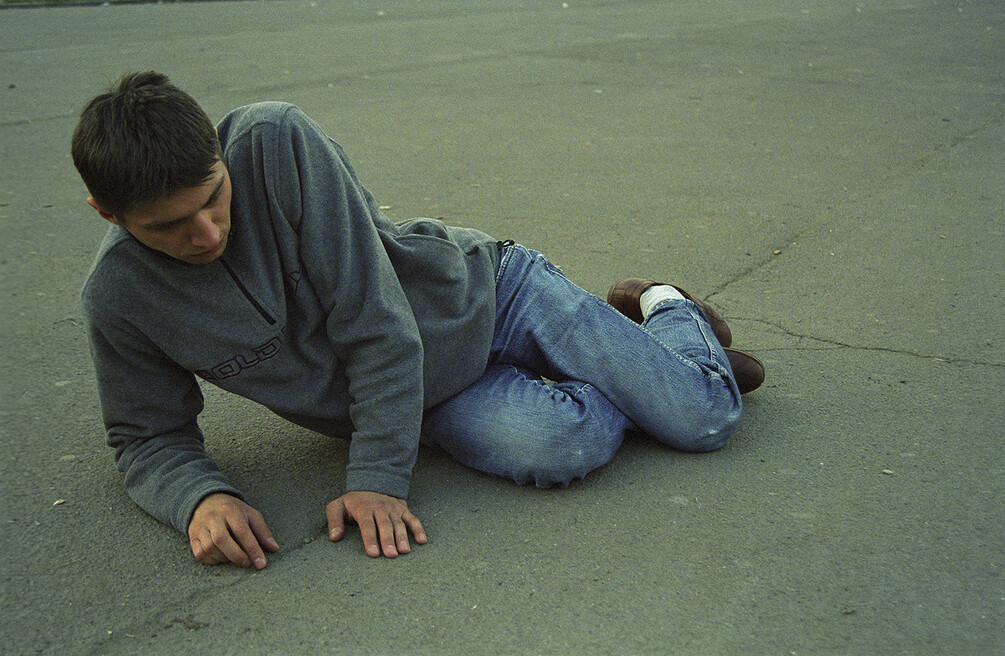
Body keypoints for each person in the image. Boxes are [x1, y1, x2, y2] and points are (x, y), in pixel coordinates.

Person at [73, 71, 764, 570]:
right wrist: (197, 500)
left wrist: (375, 475)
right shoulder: (119, 298)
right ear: (108, 213)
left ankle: (665, 308)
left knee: (704, 418)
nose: (206, 233)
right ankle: (640, 364)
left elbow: (373, 321)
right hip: (427, 397)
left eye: (214, 197)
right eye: (167, 226)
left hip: (487, 296)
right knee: (561, 447)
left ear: (220, 158)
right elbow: (145, 436)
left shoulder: (273, 142)